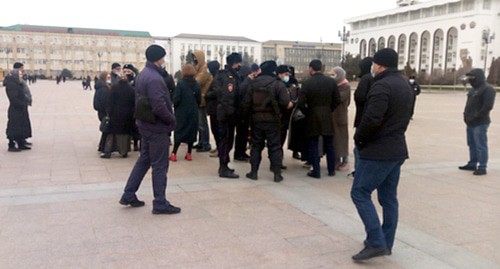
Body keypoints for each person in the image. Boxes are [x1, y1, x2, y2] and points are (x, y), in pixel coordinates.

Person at [350, 48, 413, 261]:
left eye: (374, 64)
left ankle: (376, 242)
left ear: (379, 65)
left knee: (359, 192)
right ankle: (386, 241)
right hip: (397, 148)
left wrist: (359, 138)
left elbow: (371, 119)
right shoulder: (405, 84)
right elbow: (407, 116)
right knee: (388, 198)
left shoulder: (382, 86)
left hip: (378, 151)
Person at [119, 44, 180, 215]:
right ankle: (160, 202)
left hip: (145, 125)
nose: (164, 59)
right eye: (163, 56)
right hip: (156, 127)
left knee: (144, 160)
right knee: (160, 165)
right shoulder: (154, 78)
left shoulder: (144, 73)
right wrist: (172, 120)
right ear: (158, 58)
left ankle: (128, 194)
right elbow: (159, 105)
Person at [243, 60, 292, 182]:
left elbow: (246, 103)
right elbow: (285, 103)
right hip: (273, 121)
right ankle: (277, 174)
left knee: (256, 146)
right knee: (274, 146)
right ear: (273, 71)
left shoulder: (253, 84)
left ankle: (253, 172)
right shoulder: (278, 84)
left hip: (256, 120)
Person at [298, 59, 341, 178]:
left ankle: (316, 171)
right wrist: (329, 109)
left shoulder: (307, 83)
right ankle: (331, 169)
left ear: (311, 69)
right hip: (327, 114)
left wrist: (307, 111)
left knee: (313, 143)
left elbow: (300, 102)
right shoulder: (331, 82)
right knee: (329, 144)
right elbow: (337, 100)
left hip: (312, 115)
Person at [458, 68, 496, 176]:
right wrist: (466, 116)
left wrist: (477, 116)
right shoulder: (473, 90)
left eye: (472, 77)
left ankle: (482, 166)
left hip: (480, 122)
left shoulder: (487, 89)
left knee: (480, 145)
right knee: (472, 144)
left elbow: (488, 106)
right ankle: (472, 163)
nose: (469, 80)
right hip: (470, 122)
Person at [214, 53, 242, 178]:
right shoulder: (229, 77)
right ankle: (223, 167)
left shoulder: (224, 75)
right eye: (238, 63)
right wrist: (232, 114)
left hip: (224, 114)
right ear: (234, 63)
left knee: (226, 141)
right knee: (226, 141)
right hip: (227, 115)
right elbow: (228, 98)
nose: (240, 65)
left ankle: (224, 165)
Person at [101, 72, 136, 158]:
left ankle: (107, 151)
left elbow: (110, 101)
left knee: (111, 133)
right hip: (127, 115)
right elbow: (134, 102)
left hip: (115, 114)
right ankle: (124, 151)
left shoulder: (114, 88)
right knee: (125, 134)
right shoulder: (131, 89)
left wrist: (108, 112)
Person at [170, 64, 201, 161]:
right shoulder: (196, 84)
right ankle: (189, 153)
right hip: (193, 111)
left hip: (182, 112)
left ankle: (174, 153)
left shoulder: (181, 84)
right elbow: (199, 99)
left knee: (179, 131)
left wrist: (175, 107)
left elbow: (176, 99)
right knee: (192, 131)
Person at [350, 57, 374, 177]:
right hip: (368, 118)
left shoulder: (366, 79)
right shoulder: (375, 78)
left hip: (363, 118)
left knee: (359, 148)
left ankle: (359, 172)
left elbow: (359, 97)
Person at [4, 68, 32, 152]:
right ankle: (11, 145)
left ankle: (21, 143)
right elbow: (13, 98)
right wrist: (22, 103)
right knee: (14, 127)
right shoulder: (12, 85)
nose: (21, 76)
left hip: (20, 109)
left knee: (21, 126)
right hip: (16, 109)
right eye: (19, 75)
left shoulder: (17, 84)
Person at [191, 50, 212, 152]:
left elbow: (197, 82)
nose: (194, 60)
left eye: (196, 58)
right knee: (199, 123)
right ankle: (201, 142)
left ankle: (205, 143)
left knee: (202, 123)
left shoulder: (204, 70)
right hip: (198, 99)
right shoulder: (199, 69)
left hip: (202, 99)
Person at [331, 66, 351, 172]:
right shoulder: (335, 85)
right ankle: (336, 160)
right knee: (335, 140)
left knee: (342, 140)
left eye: (334, 74)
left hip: (340, 116)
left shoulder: (345, 86)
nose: (332, 76)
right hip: (333, 116)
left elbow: (339, 98)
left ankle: (346, 161)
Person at [205, 60, 221, 158]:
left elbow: (216, 92)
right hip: (214, 108)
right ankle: (218, 146)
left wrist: (207, 95)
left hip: (215, 108)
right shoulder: (215, 77)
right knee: (215, 129)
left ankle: (220, 148)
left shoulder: (217, 78)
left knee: (216, 129)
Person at [93, 72, 112, 153]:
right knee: (106, 129)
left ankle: (101, 146)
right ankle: (104, 147)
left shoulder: (102, 87)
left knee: (105, 129)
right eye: (108, 77)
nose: (109, 79)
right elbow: (105, 102)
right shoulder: (104, 89)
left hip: (102, 112)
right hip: (104, 112)